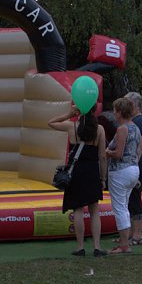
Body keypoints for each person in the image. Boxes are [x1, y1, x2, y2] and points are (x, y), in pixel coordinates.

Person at [49, 104, 108, 257]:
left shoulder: (72, 126)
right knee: (94, 210)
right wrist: (103, 178)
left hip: (76, 172)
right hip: (92, 171)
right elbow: (102, 157)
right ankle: (97, 247)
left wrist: (69, 115)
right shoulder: (100, 130)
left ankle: (80, 246)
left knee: (78, 209)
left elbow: (51, 122)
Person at [105, 97, 141, 254]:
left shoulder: (122, 129)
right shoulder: (136, 128)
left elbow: (118, 154)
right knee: (124, 206)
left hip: (120, 170)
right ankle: (125, 240)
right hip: (133, 169)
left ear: (119, 112)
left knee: (119, 207)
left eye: (115, 111)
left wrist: (107, 152)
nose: (113, 113)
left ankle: (124, 244)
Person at [125, 92, 142, 246]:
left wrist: (133, 166)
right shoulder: (134, 121)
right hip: (133, 165)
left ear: (134, 105)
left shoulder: (140, 122)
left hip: (136, 165)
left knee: (135, 200)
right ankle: (128, 235)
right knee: (129, 200)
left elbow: (139, 147)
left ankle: (137, 235)